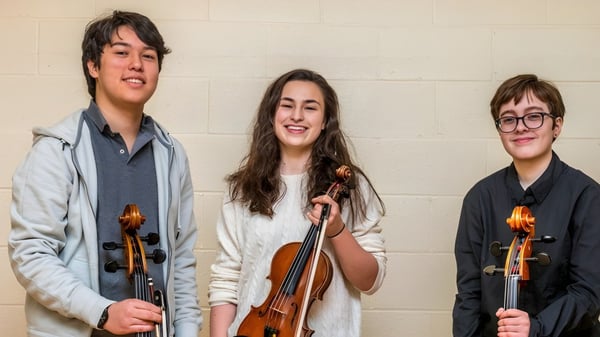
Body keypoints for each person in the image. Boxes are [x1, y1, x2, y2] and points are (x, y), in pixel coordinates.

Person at [8, 10, 202, 337]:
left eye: (148, 56)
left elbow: (180, 261)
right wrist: (102, 312)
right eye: (122, 53)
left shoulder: (172, 155)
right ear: (93, 66)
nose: (137, 64)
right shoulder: (56, 150)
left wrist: (186, 331)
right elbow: (31, 254)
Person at [208, 68, 386, 337]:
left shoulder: (350, 187)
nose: (297, 116)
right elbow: (226, 278)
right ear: (271, 115)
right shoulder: (242, 189)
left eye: (310, 108)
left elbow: (369, 281)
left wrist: (337, 230)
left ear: (326, 120)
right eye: (287, 105)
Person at [453, 74, 600, 336]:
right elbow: (469, 293)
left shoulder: (587, 196)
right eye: (508, 119)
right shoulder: (479, 198)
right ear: (500, 130)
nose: (520, 127)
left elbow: (588, 291)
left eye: (534, 116)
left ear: (557, 126)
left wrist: (537, 328)